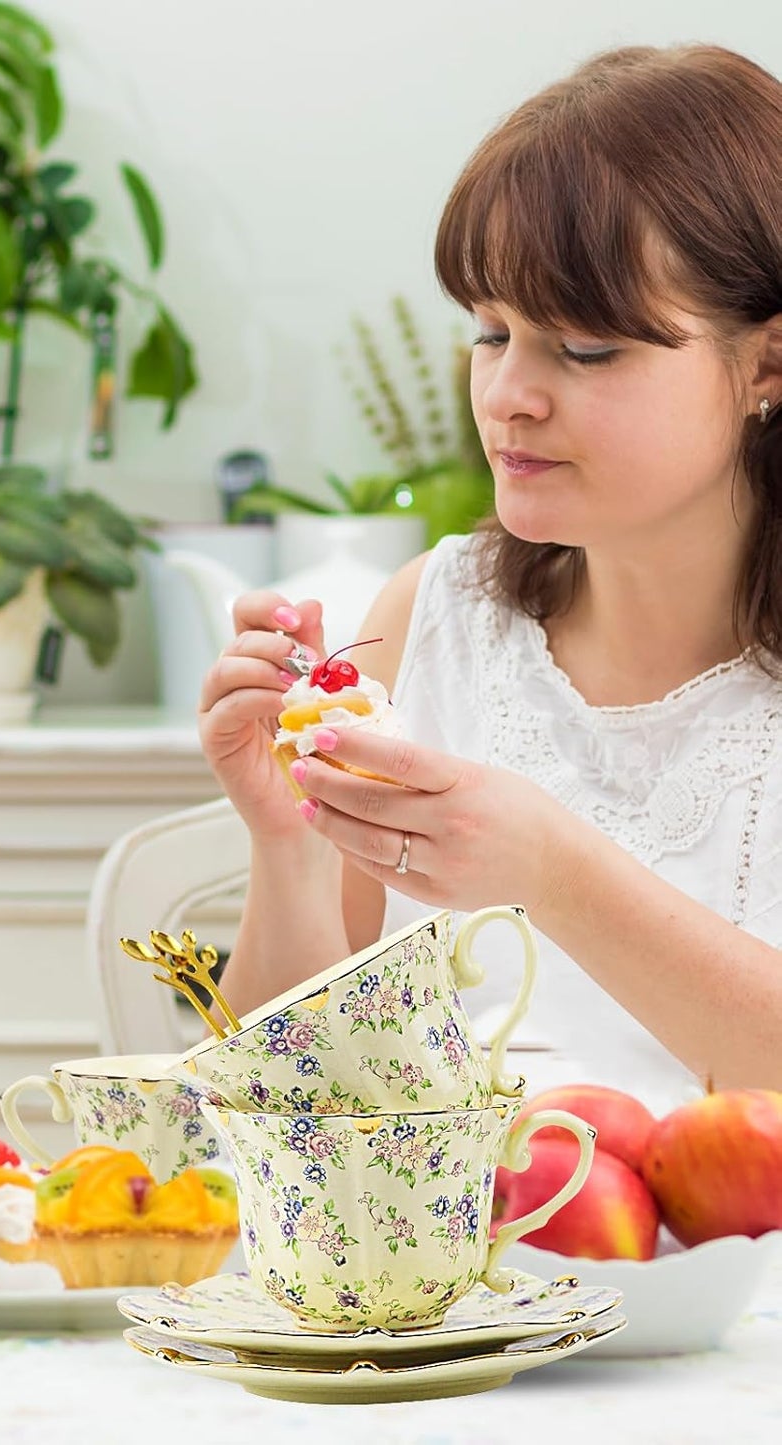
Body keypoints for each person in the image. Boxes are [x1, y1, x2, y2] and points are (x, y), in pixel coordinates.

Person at [200, 43, 782, 1112]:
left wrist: (557, 872)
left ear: (766, 364)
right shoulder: (432, 618)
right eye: (489, 331)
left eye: (583, 347)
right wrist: (288, 848)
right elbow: (273, 1121)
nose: (508, 393)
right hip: (472, 1236)